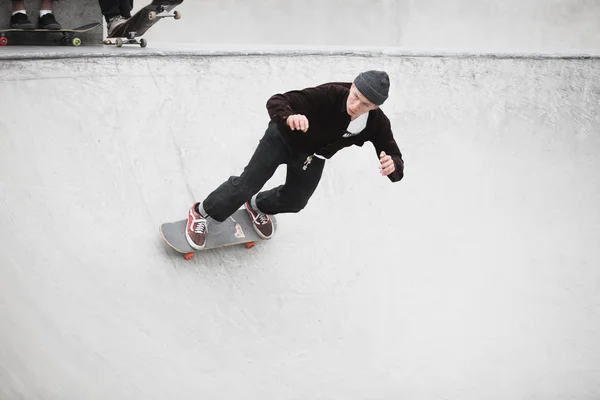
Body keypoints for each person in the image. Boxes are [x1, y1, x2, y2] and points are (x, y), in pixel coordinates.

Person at [185, 70, 405, 250]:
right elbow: (278, 100)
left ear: (375, 107)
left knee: (296, 200)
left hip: (313, 155)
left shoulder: (376, 123)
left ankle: (257, 206)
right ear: (352, 86)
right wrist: (289, 116)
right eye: (355, 95)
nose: (356, 106)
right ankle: (201, 213)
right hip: (282, 138)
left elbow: (392, 151)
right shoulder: (329, 94)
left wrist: (393, 166)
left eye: (365, 104)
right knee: (246, 185)